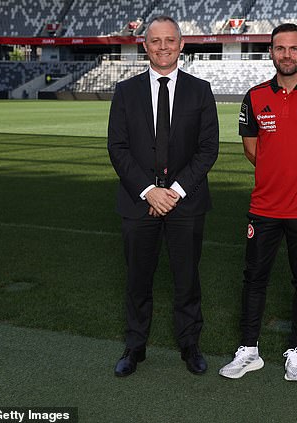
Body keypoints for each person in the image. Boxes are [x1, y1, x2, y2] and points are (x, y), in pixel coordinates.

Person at [219, 23, 297, 382]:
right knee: (254, 278)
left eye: (293, 48)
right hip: (264, 207)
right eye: (280, 48)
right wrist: (278, 173)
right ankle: (249, 349)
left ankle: (295, 351)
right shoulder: (255, 96)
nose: (286, 54)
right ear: (270, 52)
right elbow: (251, 148)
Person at [107, 15, 219, 377]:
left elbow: (208, 149)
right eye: (155, 41)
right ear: (145, 46)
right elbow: (118, 148)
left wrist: (174, 191)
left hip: (185, 202)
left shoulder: (200, 90)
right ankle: (134, 347)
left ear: (181, 44)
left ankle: (190, 345)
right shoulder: (126, 92)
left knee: (187, 279)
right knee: (138, 279)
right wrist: (149, 191)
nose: (163, 47)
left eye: (170, 40)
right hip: (138, 202)